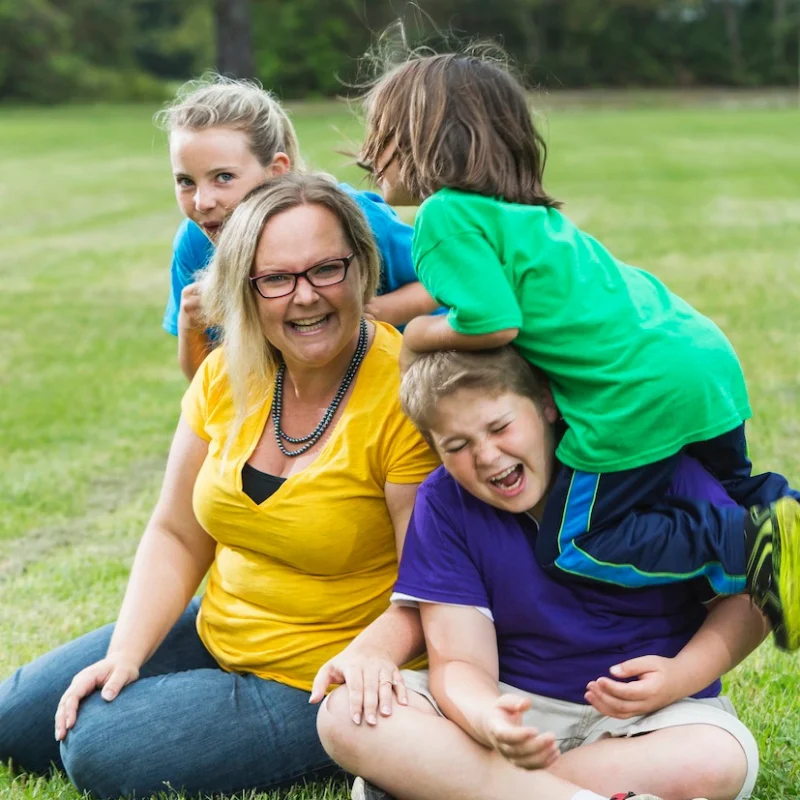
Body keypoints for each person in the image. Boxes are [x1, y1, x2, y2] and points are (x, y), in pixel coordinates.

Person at [0, 174, 439, 798]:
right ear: (245, 289)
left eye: (327, 269)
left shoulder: (403, 396)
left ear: (362, 268)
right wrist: (128, 653)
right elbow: (177, 532)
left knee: (98, 747)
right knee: (14, 724)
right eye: (276, 279)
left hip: (323, 675)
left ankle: (346, 742)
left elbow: (434, 584)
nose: (306, 297)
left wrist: (371, 660)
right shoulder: (227, 374)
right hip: (219, 627)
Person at [357, 48, 800, 650]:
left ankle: (752, 544)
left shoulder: (443, 214)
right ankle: (783, 519)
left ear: (419, 140)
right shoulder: (521, 214)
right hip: (701, 360)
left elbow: (492, 324)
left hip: (633, 394)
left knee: (578, 541)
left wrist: (417, 334)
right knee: (726, 488)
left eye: (378, 135)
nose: (367, 153)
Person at [317, 348, 765, 800]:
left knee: (721, 757)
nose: (487, 456)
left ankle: (449, 785)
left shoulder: (653, 474)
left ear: (546, 405)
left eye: (500, 427)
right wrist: (487, 717)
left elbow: (752, 598)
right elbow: (459, 662)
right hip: (513, 708)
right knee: (346, 717)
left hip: (648, 722)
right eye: (456, 446)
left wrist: (681, 675)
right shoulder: (445, 503)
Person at [155, 74, 438, 380]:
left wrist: (365, 311)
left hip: (415, 375)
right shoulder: (195, 242)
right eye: (186, 181)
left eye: (223, 177)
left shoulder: (350, 218)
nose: (202, 201)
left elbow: (441, 281)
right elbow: (205, 387)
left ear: (276, 170)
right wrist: (191, 325)